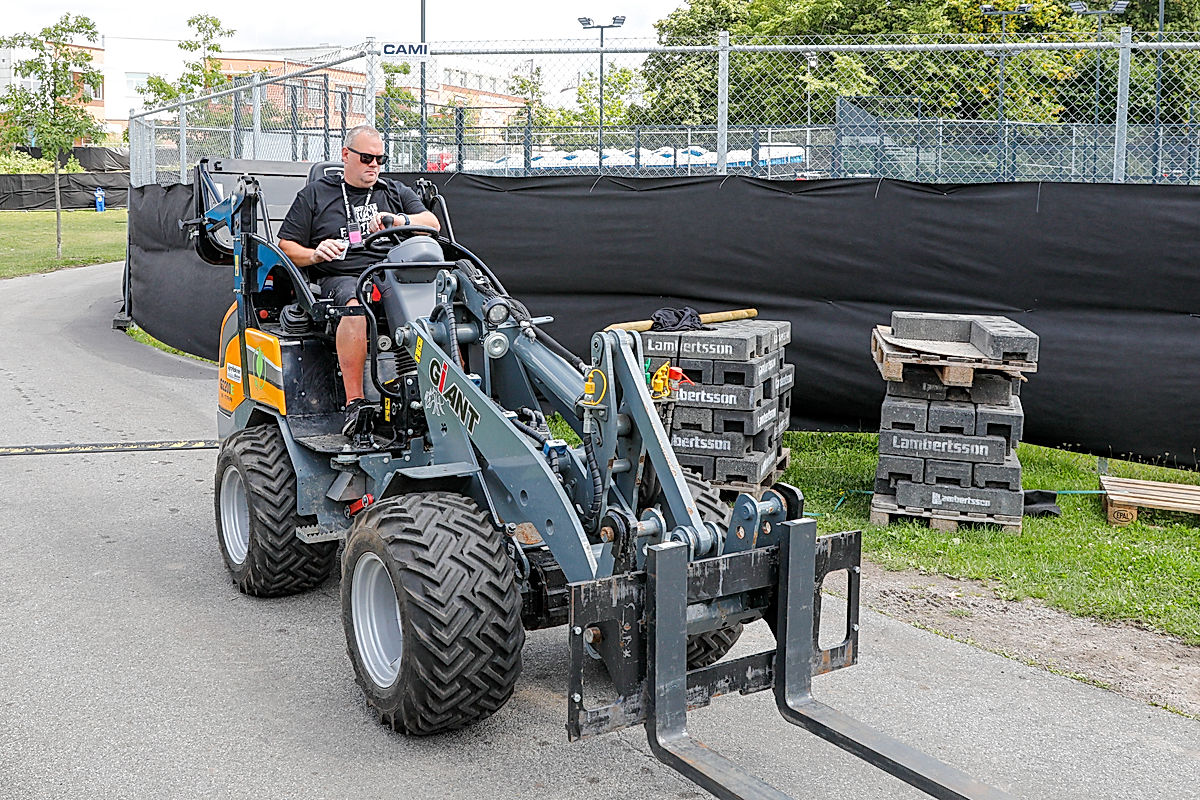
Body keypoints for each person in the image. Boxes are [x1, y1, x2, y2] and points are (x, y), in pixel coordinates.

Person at [278, 125, 441, 434]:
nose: (374, 166)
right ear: (346, 155)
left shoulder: (392, 191)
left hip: (394, 272)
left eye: (380, 159)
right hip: (342, 275)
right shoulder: (316, 194)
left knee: (443, 306)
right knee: (355, 304)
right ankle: (356, 403)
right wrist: (315, 254)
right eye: (367, 158)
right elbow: (286, 245)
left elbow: (432, 224)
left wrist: (399, 220)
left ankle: (446, 394)